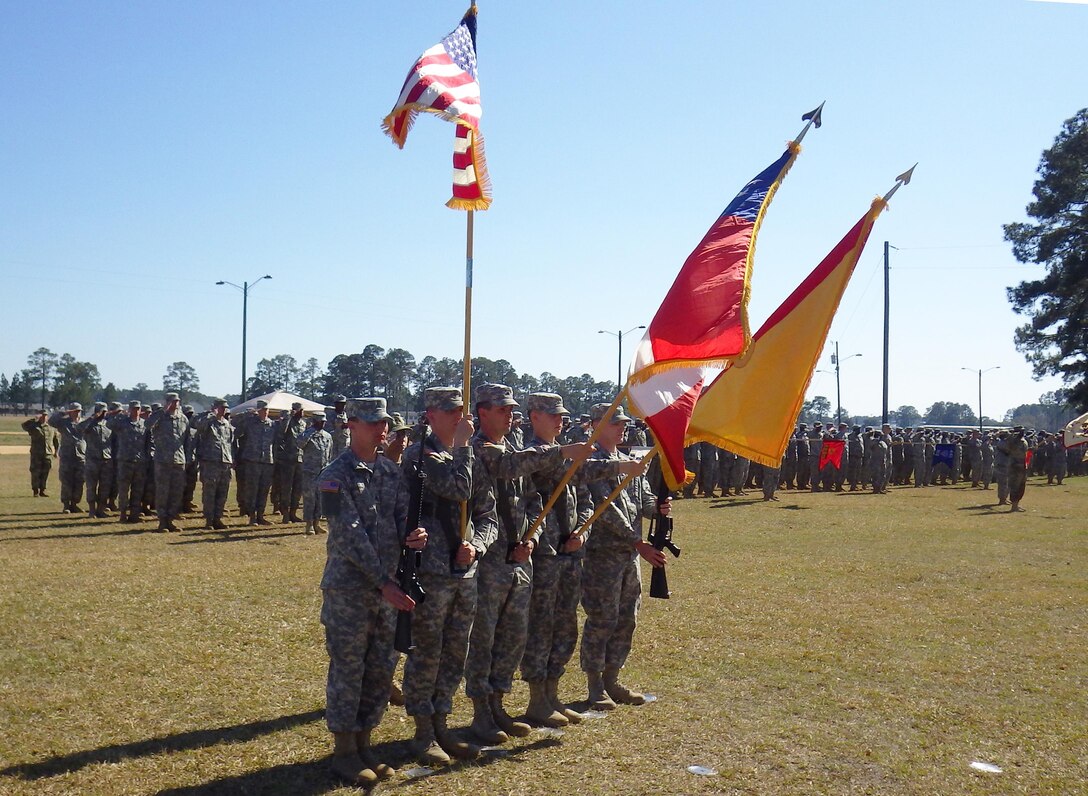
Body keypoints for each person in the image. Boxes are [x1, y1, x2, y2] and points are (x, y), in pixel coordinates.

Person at [465, 384, 592, 745]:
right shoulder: (478, 449)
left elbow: (532, 499)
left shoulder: (514, 448)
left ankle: (498, 704)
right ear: (483, 411)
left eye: (510, 409)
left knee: (513, 636)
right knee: (485, 638)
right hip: (490, 559)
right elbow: (506, 468)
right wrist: (563, 450)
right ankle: (481, 712)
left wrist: (532, 538)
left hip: (521, 557)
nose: (509, 415)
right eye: (501, 409)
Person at [318, 397, 427, 786]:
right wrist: (383, 582)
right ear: (351, 425)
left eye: (384, 422)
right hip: (351, 591)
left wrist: (414, 536)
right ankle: (344, 751)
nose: (381, 429)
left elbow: (401, 519)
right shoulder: (334, 475)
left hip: (387, 591)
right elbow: (348, 536)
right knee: (349, 669)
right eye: (372, 423)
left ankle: (365, 742)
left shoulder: (389, 471)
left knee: (381, 669)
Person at [520, 393, 640, 727]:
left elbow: (584, 494)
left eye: (562, 415)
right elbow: (529, 503)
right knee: (541, 627)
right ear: (534, 417)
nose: (560, 421)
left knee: (565, 627)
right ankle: (536, 699)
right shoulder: (531, 454)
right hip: (545, 555)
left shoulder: (567, 452)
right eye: (553, 415)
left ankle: (552, 694)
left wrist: (582, 534)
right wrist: (617, 465)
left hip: (571, 553)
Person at [401, 387, 497, 766]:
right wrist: (463, 448)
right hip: (433, 573)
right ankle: (422, 732)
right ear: (430, 415)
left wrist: (477, 546)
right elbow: (459, 489)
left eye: (461, 409)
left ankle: (443, 724)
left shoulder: (465, 455)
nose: (459, 416)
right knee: (427, 652)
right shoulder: (420, 456)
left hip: (465, 570)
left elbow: (484, 511)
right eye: (449, 410)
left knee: (456, 652)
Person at [582, 401, 670, 710]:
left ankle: (612, 679)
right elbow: (605, 509)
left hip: (630, 555)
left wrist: (656, 508)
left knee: (627, 617)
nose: (622, 428)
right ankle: (595, 686)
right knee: (602, 617)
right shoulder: (590, 462)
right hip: (603, 553)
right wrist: (638, 542)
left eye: (623, 423)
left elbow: (640, 496)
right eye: (615, 423)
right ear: (596, 424)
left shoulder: (628, 460)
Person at [147, 393, 190, 532]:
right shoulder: (160, 417)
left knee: (176, 492)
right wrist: (161, 411)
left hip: (179, 460)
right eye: (172, 401)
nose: (175, 404)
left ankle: (171, 519)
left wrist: (188, 459)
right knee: (162, 492)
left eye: (177, 401)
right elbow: (147, 425)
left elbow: (187, 440)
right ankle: (162, 521)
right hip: (162, 460)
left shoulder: (183, 419)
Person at [233, 400, 278, 525]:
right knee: (252, 490)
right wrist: (246, 414)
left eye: (266, 409)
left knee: (264, 490)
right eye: (262, 410)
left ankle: (260, 515)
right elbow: (235, 431)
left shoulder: (272, 425)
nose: (265, 412)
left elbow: (275, 442)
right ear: (258, 410)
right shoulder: (249, 422)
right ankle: (251, 516)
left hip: (267, 461)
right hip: (252, 461)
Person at [192, 399, 234, 530]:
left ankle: (218, 518)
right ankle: (209, 520)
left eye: (225, 408)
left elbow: (229, 443)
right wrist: (211, 415)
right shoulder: (208, 422)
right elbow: (198, 426)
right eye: (221, 407)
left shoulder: (227, 424)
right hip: (211, 462)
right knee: (210, 493)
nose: (223, 410)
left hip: (225, 462)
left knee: (223, 492)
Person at [107, 401, 148, 523]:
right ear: (129, 410)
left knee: (137, 489)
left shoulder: (144, 424)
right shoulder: (122, 423)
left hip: (140, 461)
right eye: (133, 409)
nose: (136, 411)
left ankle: (134, 514)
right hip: (125, 461)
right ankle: (123, 513)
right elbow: (109, 424)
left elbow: (148, 442)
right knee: (124, 489)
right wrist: (120, 414)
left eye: (138, 409)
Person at [78, 402, 114, 518]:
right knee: (91, 486)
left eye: (105, 411)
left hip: (106, 460)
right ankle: (92, 510)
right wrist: (92, 418)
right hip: (92, 460)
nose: (103, 414)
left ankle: (101, 510)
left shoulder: (109, 424)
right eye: (101, 411)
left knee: (105, 487)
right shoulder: (89, 424)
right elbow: (79, 428)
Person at [299, 413, 333, 535]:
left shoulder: (328, 436)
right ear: (314, 422)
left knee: (320, 499)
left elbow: (329, 454)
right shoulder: (308, 434)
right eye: (320, 421)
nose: (322, 423)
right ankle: (309, 525)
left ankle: (317, 523)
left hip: (323, 472)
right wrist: (311, 430)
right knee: (309, 499)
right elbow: (299, 443)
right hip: (310, 472)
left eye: (324, 421)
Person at [49, 402, 86, 513]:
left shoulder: (84, 423)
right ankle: (66, 505)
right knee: (66, 481)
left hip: (81, 457)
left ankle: (74, 504)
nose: (77, 413)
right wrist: (62, 413)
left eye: (79, 411)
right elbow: (51, 421)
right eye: (75, 411)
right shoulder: (63, 422)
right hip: (67, 457)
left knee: (79, 481)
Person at [22, 410, 58, 497]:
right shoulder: (33, 426)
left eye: (45, 415)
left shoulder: (51, 427)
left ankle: (42, 490)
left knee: (45, 472)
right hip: (36, 454)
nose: (44, 417)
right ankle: (35, 491)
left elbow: (56, 440)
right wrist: (34, 419)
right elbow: (23, 425)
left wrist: (56, 452)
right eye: (42, 415)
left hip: (48, 454)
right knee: (35, 472)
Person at [1000, 426, 1030, 512]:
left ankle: (1016, 504)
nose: (1022, 433)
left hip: (1023, 465)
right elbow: (1010, 448)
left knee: (1021, 486)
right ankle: (1014, 506)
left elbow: (1024, 452)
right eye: (1021, 431)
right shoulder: (1013, 440)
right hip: (1015, 466)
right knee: (1015, 486)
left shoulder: (1023, 440)